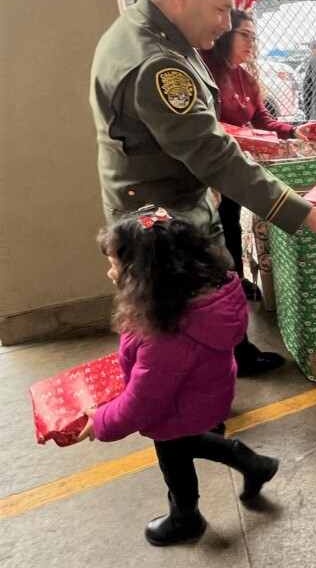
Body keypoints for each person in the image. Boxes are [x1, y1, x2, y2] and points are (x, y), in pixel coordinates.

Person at [90, 0, 316, 376]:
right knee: (177, 345)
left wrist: (205, 182)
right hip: (162, 227)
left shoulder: (144, 30)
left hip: (164, 206)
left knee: (189, 333)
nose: (227, 24)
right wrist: (303, 213)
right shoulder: (158, 62)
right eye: (221, 9)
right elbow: (216, 153)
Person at [75, 207, 279, 546]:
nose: (110, 273)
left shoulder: (166, 333)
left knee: (174, 458)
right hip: (204, 394)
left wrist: (101, 422)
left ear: (145, 275)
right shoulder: (203, 295)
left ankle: (185, 518)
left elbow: (142, 403)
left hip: (177, 408)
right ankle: (254, 464)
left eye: (115, 265)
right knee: (191, 441)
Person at [200, 8, 305, 307]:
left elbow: (263, 121)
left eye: (254, 37)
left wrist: (295, 131)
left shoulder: (245, 77)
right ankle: (215, 289)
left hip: (230, 164)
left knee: (231, 221)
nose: (252, 43)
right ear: (225, 34)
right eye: (244, 35)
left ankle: (234, 278)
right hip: (204, 166)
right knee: (210, 227)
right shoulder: (203, 69)